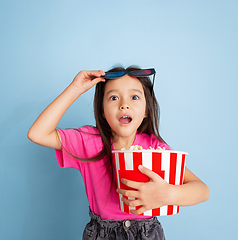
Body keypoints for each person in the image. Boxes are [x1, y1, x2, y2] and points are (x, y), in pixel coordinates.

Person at [28, 66, 210, 240]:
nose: (124, 105)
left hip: (147, 234)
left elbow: (202, 190)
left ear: (146, 110)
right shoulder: (88, 142)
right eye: (114, 98)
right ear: (102, 110)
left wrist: (169, 194)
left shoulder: (155, 149)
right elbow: (37, 133)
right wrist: (75, 89)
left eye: (134, 97)